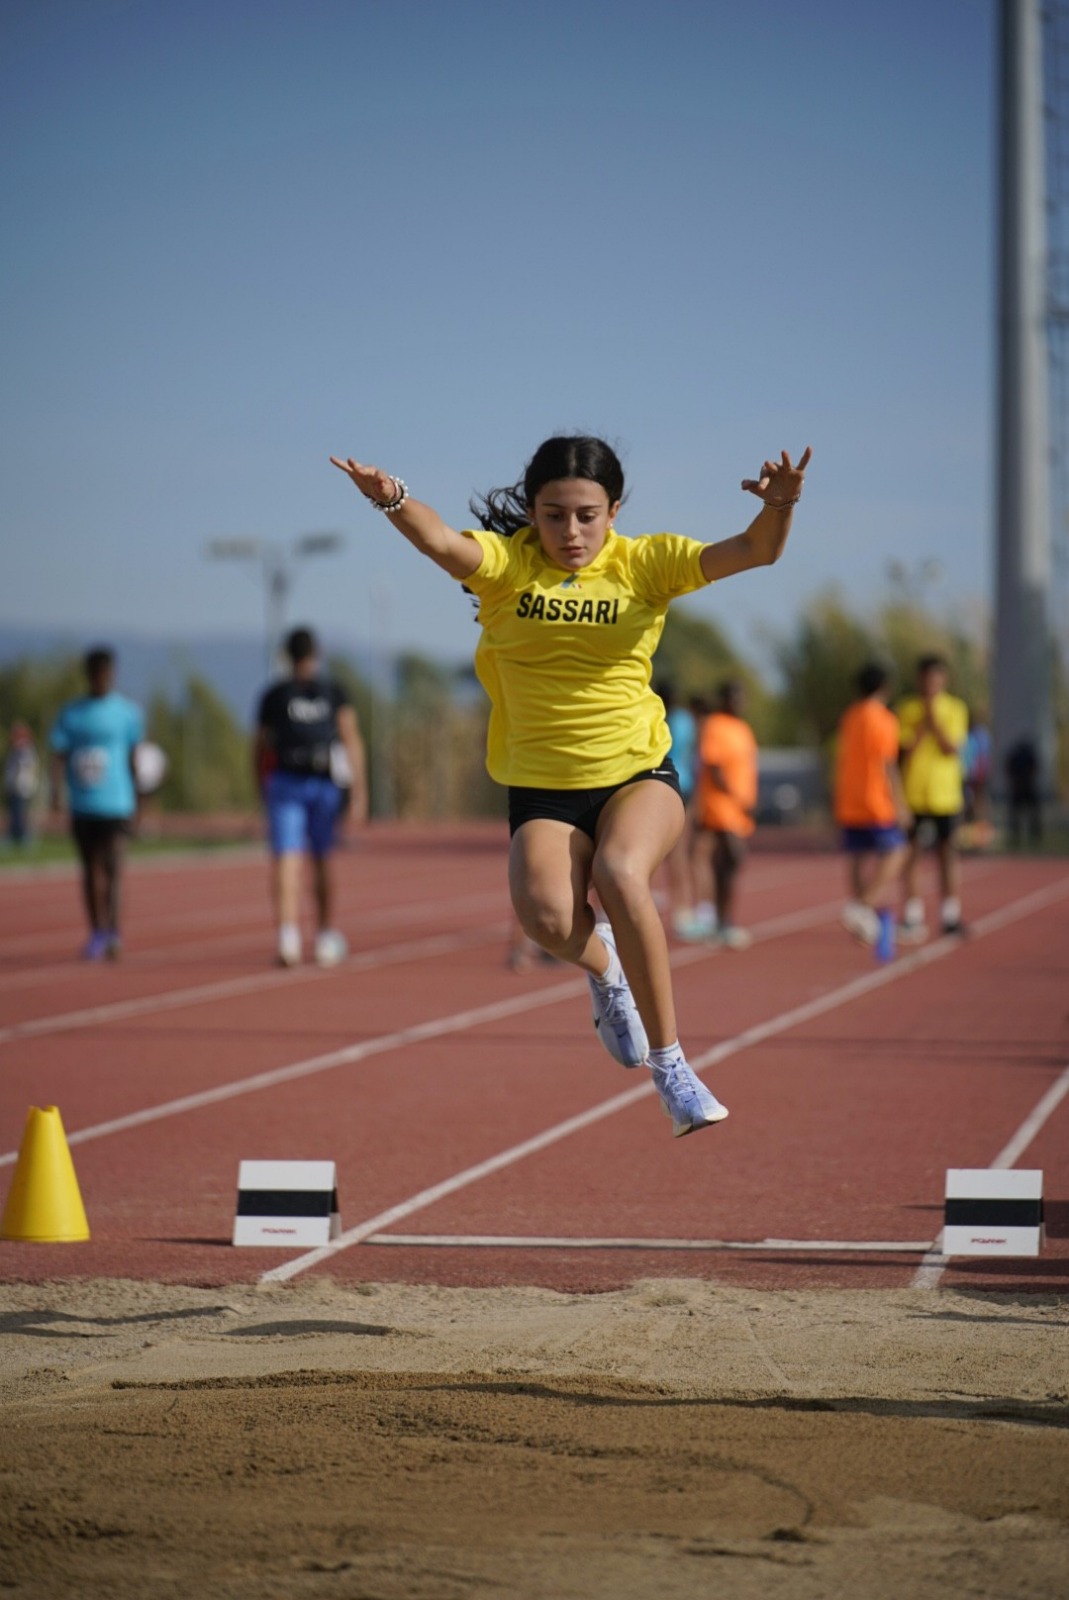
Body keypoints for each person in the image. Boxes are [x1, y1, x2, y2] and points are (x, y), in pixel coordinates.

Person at [331, 434, 810, 1136]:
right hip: (542, 785)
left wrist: (781, 504)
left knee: (620, 872)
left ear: (613, 511)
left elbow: (755, 550)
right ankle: (606, 969)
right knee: (546, 920)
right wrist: (393, 499)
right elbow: (441, 542)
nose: (571, 532)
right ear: (532, 512)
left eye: (587, 515)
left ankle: (673, 1067)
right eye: (554, 516)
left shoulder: (646, 564)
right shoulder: (506, 566)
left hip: (635, 771)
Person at [255, 626, 369, 967]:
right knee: (318, 860)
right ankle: (321, 934)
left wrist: (260, 786)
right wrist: (360, 791)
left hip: (289, 782)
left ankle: (289, 936)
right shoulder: (331, 692)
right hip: (317, 784)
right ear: (315, 654)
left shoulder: (275, 695)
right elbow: (351, 738)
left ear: (287, 656)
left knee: (288, 860)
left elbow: (258, 747)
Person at [49, 647, 144, 959]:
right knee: (90, 870)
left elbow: (134, 758)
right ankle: (97, 931)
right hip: (83, 803)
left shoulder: (127, 713)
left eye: (106, 674)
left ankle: (114, 931)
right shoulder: (71, 714)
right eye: (96, 674)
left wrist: (139, 798)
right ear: (88, 675)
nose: (102, 679)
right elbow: (59, 754)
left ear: (112, 674)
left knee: (114, 867)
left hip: (117, 802)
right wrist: (55, 791)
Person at [833, 663, 910, 945]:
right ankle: (862, 906)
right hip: (875, 799)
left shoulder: (850, 716)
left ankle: (862, 916)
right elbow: (887, 763)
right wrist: (900, 803)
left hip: (850, 797)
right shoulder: (883, 719)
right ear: (885, 687)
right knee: (897, 851)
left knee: (857, 855)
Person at [896, 653, 969, 940]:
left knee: (947, 854)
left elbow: (951, 748)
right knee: (912, 855)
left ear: (944, 680)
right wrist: (920, 724)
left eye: (935, 680)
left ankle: (950, 915)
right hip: (914, 794)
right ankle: (912, 916)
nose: (930, 686)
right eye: (926, 680)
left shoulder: (955, 708)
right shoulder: (906, 709)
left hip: (944, 795)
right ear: (918, 680)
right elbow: (904, 750)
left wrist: (934, 720)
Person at [690, 681, 758, 949]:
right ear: (724, 699)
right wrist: (737, 797)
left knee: (727, 864)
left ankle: (722, 920)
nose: (739, 702)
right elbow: (715, 768)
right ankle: (722, 920)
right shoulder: (715, 726)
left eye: (741, 697)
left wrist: (748, 799)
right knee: (733, 856)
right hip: (721, 805)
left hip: (739, 808)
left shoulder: (743, 728)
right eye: (734, 697)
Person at [655, 682, 702, 938]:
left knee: (664, 852)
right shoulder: (686, 720)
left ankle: (679, 910)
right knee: (680, 852)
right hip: (687, 786)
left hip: (666, 785)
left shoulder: (659, 717)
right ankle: (683, 910)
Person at [3, 721, 40, 848]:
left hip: (22, 788)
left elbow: (26, 767)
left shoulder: (25, 750)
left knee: (20, 814)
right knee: (14, 814)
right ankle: (15, 836)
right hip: (14, 787)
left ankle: (23, 838)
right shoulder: (15, 751)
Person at [1004, 736, 1041, 847]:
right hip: (1020, 786)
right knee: (1017, 811)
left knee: (1032, 810)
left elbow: (1035, 768)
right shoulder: (1020, 756)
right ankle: (1017, 831)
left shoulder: (1025, 756)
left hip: (1026, 786)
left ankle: (1033, 832)